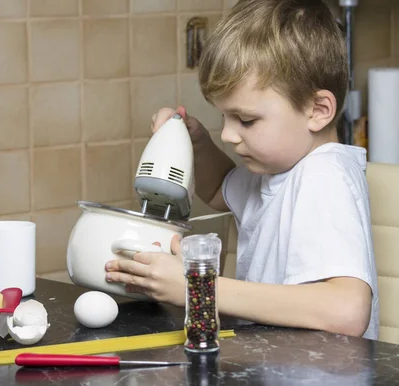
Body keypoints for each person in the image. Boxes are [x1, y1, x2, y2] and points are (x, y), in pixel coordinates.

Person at [105, 0, 379, 340]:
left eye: (246, 120)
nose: (229, 135)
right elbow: (219, 190)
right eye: (224, 117)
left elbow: (347, 311)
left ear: (317, 109)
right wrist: (198, 142)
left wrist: (199, 289)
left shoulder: (324, 177)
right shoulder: (280, 169)